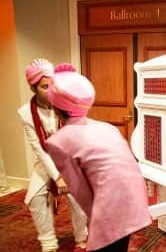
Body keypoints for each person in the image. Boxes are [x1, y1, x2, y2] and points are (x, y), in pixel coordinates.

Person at [44, 63, 151, 252]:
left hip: (110, 204)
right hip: (136, 197)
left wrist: (96, 222)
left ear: (55, 106)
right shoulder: (106, 127)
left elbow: (80, 191)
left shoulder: (58, 141)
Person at [18, 59, 88, 252]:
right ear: (33, 88)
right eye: (44, 86)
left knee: (80, 198)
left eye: (52, 85)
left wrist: (68, 172)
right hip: (45, 163)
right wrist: (56, 177)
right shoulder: (26, 113)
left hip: (69, 160)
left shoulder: (65, 104)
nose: (49, 91)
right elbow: (38, 148)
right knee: (35, 198)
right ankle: (48, 244)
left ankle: (82, 238)